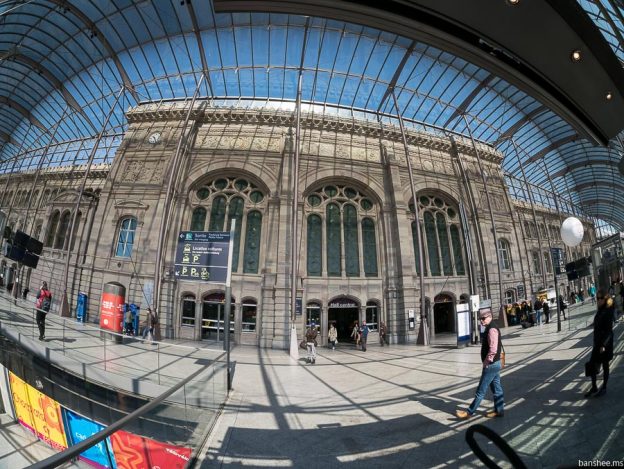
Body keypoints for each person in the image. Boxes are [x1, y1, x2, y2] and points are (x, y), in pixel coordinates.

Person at [456, 310, 505, 419]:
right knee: (497, 389)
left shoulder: (492, 329)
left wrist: (487, 362)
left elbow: (493, 349)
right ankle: (499, 411)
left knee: (480, 391)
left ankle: (469, 413)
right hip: (495, 363)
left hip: (491, 365)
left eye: (483, 318)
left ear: (490, 316)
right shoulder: (491, 327)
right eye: (480, 319)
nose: (481, 321)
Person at [584, 289, 614, 398]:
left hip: (605, 344)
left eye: (601, 298)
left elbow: (609, 331)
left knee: (605, 366)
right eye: (597, 298)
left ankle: (604, 388)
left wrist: (603, 345)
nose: (598, 300)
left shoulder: (608, 311)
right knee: (592, 364)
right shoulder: (600, 310)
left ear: (605, 299)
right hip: (597, 343)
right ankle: (594, 387)